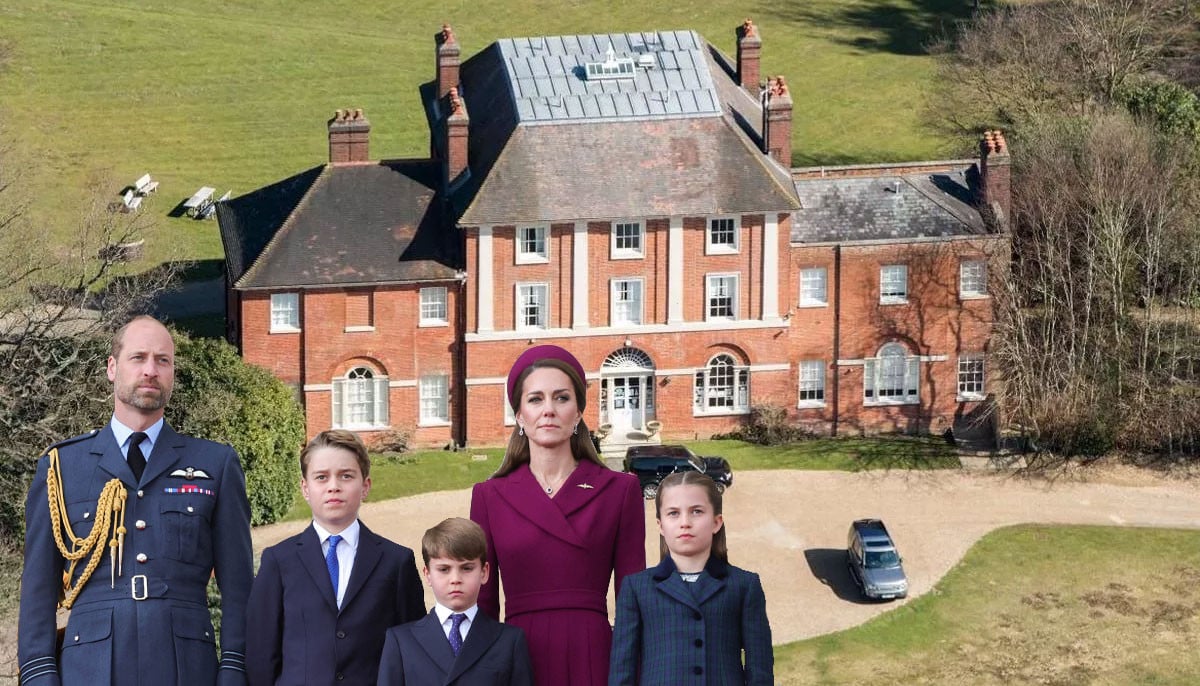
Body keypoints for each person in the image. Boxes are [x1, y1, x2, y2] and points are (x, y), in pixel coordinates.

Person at [18, 315, 254, 685]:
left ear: (173, 372)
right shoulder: (62, 467)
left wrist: (235, 668)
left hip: (187, 668)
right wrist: (39, 675)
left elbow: (239, 587)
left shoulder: (215, 464)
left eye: (163, 360)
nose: (151, 370)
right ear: (112, 368)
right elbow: (37, 589)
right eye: (138, 357)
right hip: (90, 670)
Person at [470, 344, 646, 685]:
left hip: (594, 654)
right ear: (519, 415)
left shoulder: (620, 490)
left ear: (578, 411)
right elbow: (485, 602)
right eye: (535, 399)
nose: (548, 410)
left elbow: (631, 600)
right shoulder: (489, 496)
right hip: (518, 657)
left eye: (561, 398)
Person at [246, 430, 425, 686]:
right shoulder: (278, 561)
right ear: (305, 488)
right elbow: (261, 654)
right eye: (321, 477)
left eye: (346, 476)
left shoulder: (396, 562)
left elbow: (412, 652)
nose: (334, 486)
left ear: (365, 486)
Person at [608, 471, 773, 686]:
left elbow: (759, 669)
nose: (685, 522)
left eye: (696, 512)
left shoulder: (744, 585)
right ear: (660, 525)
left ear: (716, 522)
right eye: (673, 513)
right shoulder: (636, 588)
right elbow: (622, 669)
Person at [377, 517, 533, 685]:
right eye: (444, 569)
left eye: (466, 568)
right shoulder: (401, 642)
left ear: (484, 572)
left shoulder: (509, 641)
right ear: (427, 574)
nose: (455, 579)